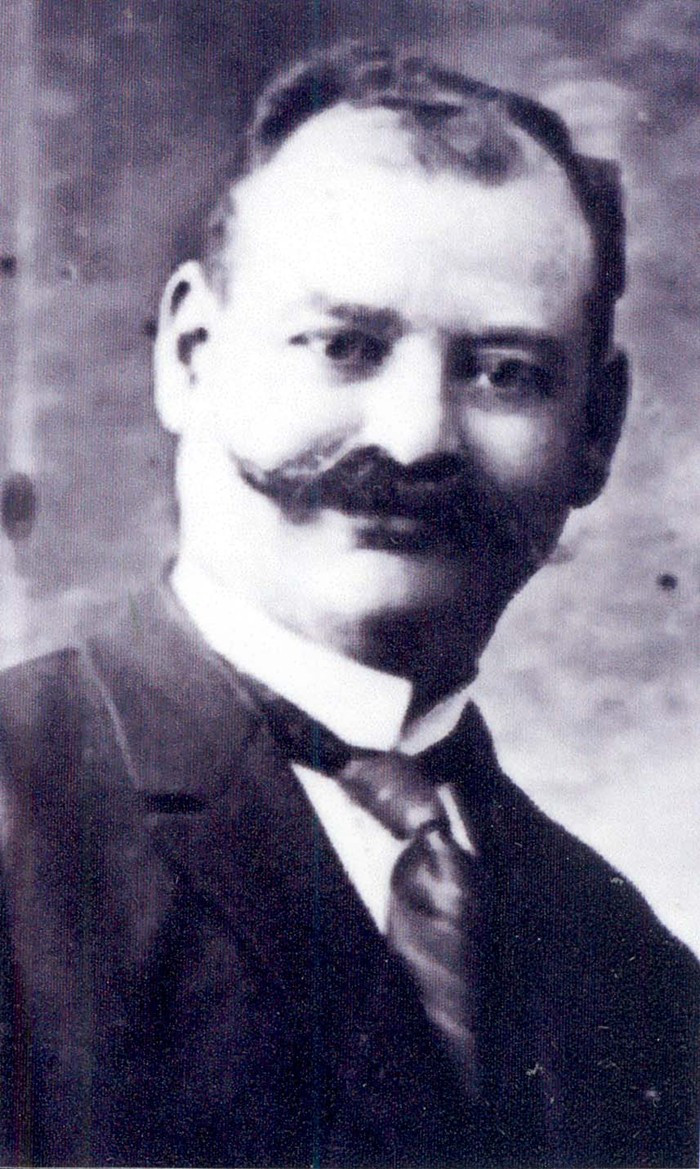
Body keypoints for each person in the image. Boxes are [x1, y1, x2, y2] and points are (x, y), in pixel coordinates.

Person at [0, 41, 697, 1168]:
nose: (416, 433)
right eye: (343, 346)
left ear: (597, 432)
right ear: (190, 354)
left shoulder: (633, 968)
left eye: (504, 372)